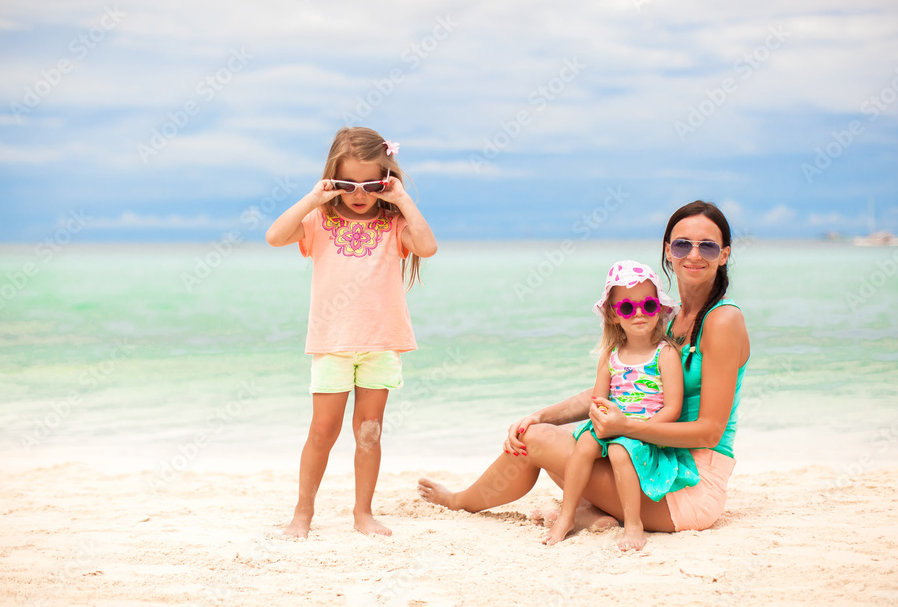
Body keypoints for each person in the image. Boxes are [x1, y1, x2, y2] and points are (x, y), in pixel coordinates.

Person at [419, 200, 749, 538]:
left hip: (687, 485)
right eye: (683, 244)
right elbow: (622, 387)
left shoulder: (722, 320)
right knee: (542, 433)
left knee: (539, 442)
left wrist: (626, 427)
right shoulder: (669, 315)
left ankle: (460, 501)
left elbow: (709, 432)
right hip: (651, 458)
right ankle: (592, 515)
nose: (693, 255)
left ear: (723, 255)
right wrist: (541, 415)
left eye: (707, 246)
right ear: (668, 251)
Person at [267, 126, 437, 538]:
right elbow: (274, 237)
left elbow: (427, 246)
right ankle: (303, 513)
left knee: (369, 431)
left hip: (381, 342)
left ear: (386, 180)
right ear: (332, 179)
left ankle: (363, 512)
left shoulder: (394, 224)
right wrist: (314, 196)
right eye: (347, 184)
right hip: (333, 342)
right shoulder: (319, 220)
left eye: (370, 184)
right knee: (322, 430)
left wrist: (402, 198)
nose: (359, 193)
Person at [543, 261, 697, 550]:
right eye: (627, 308)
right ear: (614, 315)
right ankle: (567, 515)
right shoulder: (611, 356)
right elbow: (599, 401)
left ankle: (634, 524)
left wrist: (638, 430)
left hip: (647, 430)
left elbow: (672, 409)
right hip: (611, 424)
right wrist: (601, 421)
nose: (638, 313)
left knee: (618, 448)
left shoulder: (665, 354)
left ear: (660, 309)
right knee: (585, 445)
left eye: (648, 305)